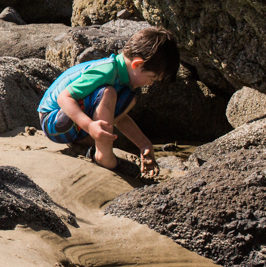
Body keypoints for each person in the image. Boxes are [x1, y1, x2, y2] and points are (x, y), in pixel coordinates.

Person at [37, 26, 180, 178]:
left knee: (129, 98)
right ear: (137, 64)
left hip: (72, 123)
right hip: (54, 121)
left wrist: (144, 144)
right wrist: (90, 126)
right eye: (152, 78)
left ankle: (89, 146)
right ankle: (103, 156)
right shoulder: (107, 70)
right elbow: (64, 98)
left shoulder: (124, 84)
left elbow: (120, 119)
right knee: (108, 92)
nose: (150, 84)